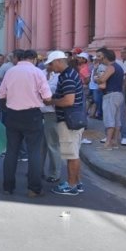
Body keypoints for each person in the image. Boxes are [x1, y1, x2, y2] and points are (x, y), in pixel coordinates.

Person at [0, 49, 51, 197]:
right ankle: (34, 188)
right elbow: (47, 96)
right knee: (34, 152)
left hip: (13, 115)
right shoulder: (38, 72)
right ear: (33, 59)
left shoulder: (10, 72)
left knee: (12, 151)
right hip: (32, 115)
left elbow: (1, 94)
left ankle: (8, 187)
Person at [46, 51, 85, 196]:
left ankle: (71, 185)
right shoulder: (68, 74)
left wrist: (52, 101)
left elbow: (68, 101)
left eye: (51, 63)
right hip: (73, 119)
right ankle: (77, 182)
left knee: (71, 155)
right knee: (74, 153)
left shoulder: (67, 76)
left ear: (58, 61)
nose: (50, 67)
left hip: (69, 120)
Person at [95, 48, 124, 149]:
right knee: (117, 120)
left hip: (111, 95)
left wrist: (96, 79)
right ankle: (115, 142)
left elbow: (102, 80)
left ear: (105, 56)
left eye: (100, 56)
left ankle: (108, 143)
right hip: (118, 94)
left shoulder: (111, 67)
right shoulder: (119, 67)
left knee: (109, 119)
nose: (99, 58)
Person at [41, 59, 61, 183]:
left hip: (51, 113)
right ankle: (38, 170)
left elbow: (52, 92)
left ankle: (55, 173)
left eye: (50, 63)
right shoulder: (40, 73)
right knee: (39, 145)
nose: (48, 65)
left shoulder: (59, 76)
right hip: (39, 112)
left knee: (52, 144)